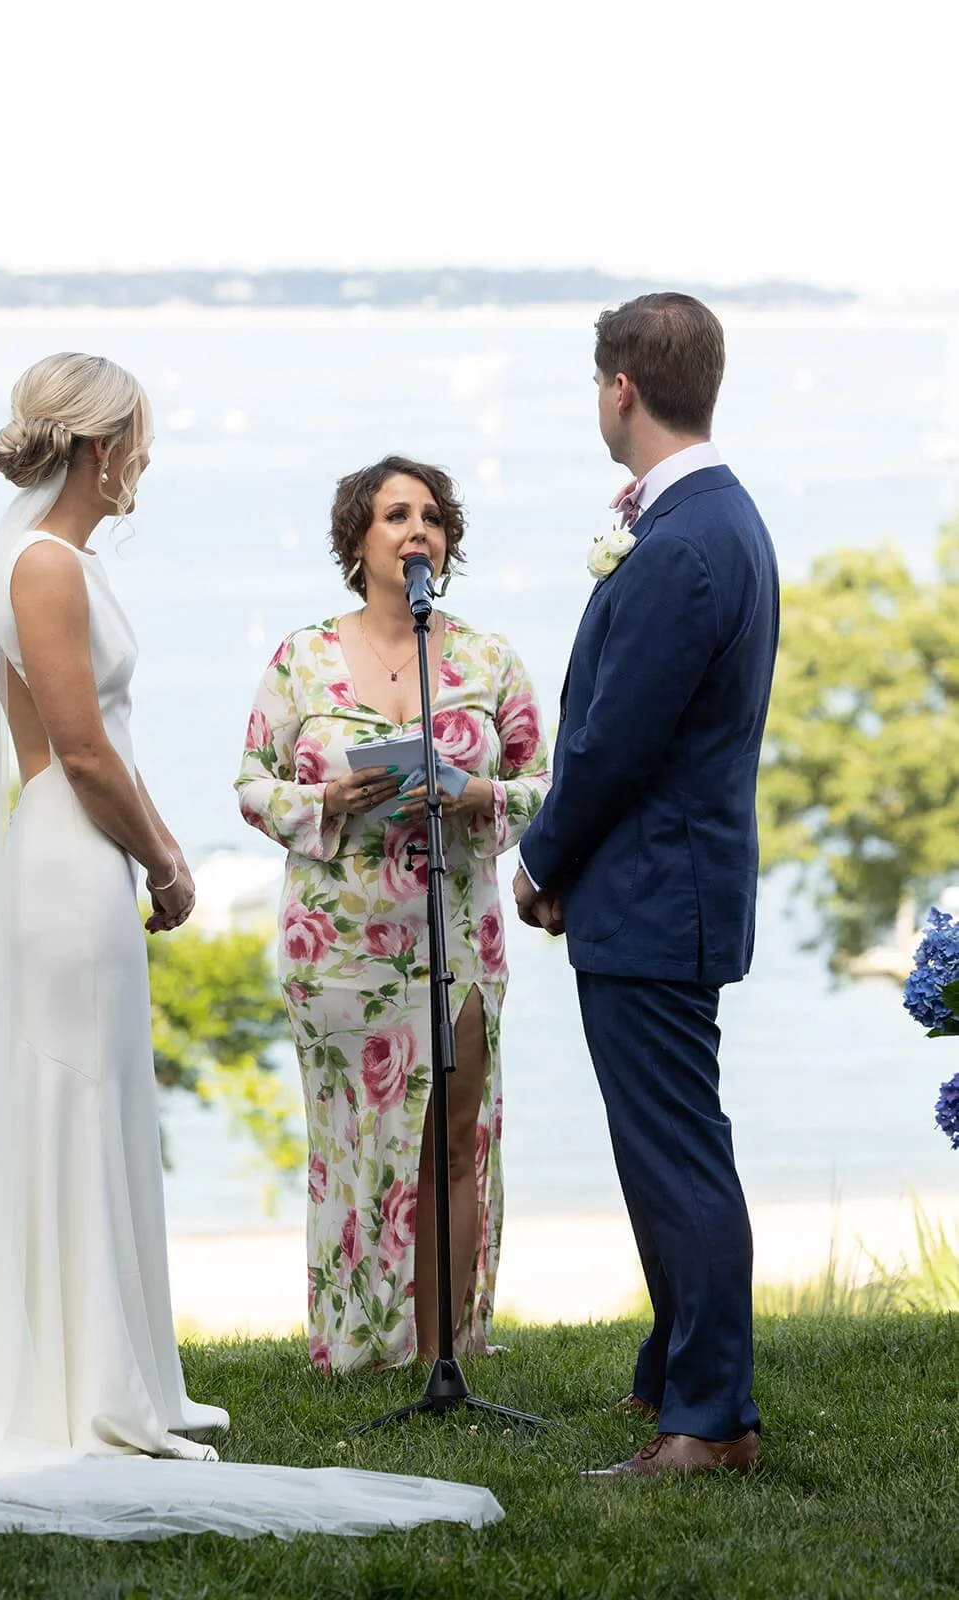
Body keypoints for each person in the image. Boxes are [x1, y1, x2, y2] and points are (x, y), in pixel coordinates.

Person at [0, 363, 501, 1539]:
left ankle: (103, 1368)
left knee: (100, 1097)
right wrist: (168, 860)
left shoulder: (61, 561)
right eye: (139, 441)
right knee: (68, 1095)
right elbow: (83, 748)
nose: (147, 462)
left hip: (79, 860)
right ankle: (74, 1387)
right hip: (70, 862)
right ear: (99, 446)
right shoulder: (42, 567)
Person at [515, 294, 780, 1478]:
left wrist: (541, 856)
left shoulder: (682, 545)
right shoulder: (704, 519)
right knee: (660, 1145)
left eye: (595, 382)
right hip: (667, 880)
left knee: (677, 1153)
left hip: (655, 888)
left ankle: (712, 1418)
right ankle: (671, 1373)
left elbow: (619, 738)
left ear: (623, 386)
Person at [236, 455, 549, 1372]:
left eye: (432, 518)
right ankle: (362, 1338)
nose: (418, 531)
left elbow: (544, 782)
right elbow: (252, 786)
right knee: (359, 1140)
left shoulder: (488, 657)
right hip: (340, 943)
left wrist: (481, 796)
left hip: (456, 929)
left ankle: (446, 1350)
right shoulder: (300, 658)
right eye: (395, 515)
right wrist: (325, 804)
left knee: (454, 1135)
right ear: (357, 539)